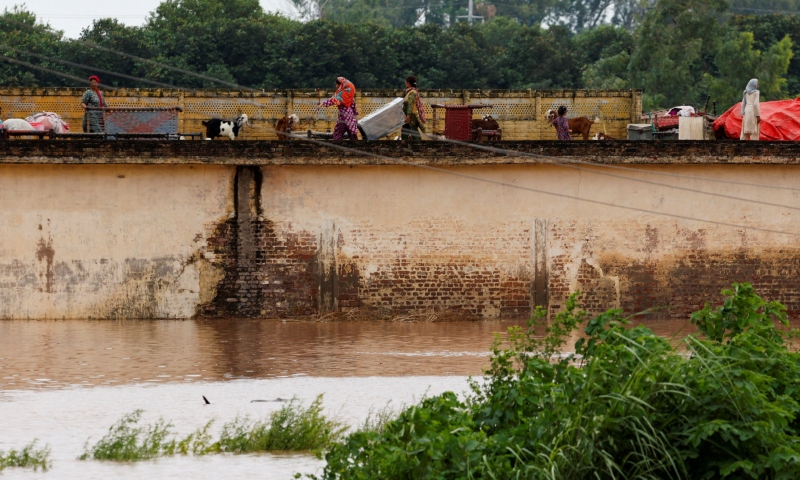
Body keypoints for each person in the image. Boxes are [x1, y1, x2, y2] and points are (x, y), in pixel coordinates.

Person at [402, 76, 426, 140]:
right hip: (408, 115)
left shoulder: (413, 92)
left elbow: (410, 104)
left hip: (411, 116)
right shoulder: (409, 92)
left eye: (406, 82)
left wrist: (408, 116)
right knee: (405, 131)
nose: (405, 84)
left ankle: (418, 145)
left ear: (408, 83)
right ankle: (404, 144)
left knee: (413, 131)